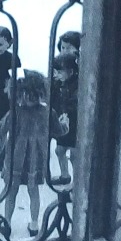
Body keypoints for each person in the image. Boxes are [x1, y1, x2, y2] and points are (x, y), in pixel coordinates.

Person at [0, 69, 49, 238]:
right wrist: (66, 125)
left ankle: (7, 223)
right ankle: (34, 224)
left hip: (15, 159)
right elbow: (59, 130)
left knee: (10, 192)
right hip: (36, 160)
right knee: (34, 192)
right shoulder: (46, 112)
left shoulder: (15, 113)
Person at [50, 29, 81, 188]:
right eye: (63, 47)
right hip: (62, 119)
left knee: (74, 154)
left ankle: (78, 181)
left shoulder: (78, 78)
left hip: (74, 122)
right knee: (59, 150)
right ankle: (65, 175)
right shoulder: (58, 78)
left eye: (69, 48)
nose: (65, 51)